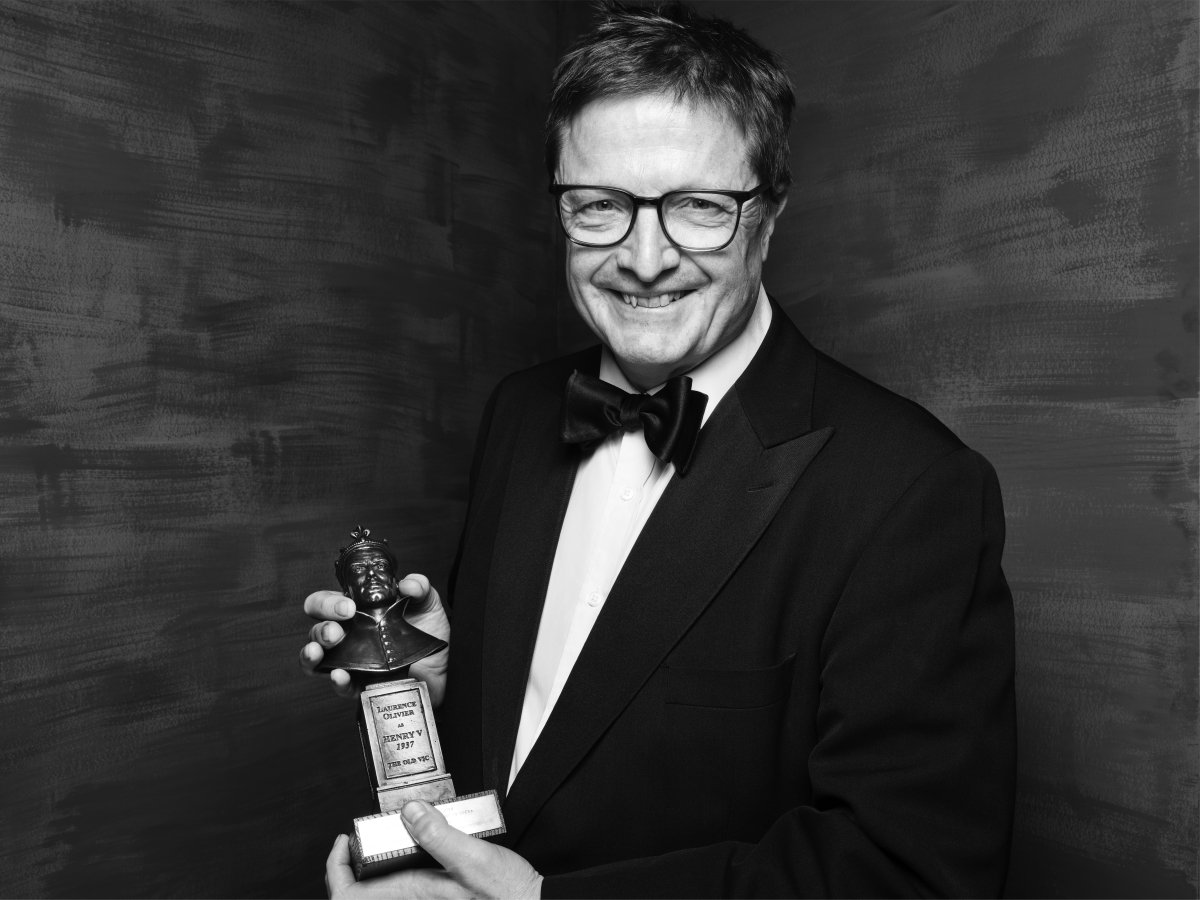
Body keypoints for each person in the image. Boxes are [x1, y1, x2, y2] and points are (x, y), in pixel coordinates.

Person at [301, 3, 1016, 897]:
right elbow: (568, 741)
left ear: (771, 212)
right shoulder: (521, 413)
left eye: (698, 208)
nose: (643, 259)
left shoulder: (913, 488)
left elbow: (910, 874)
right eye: (599, 205)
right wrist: (445, 685)